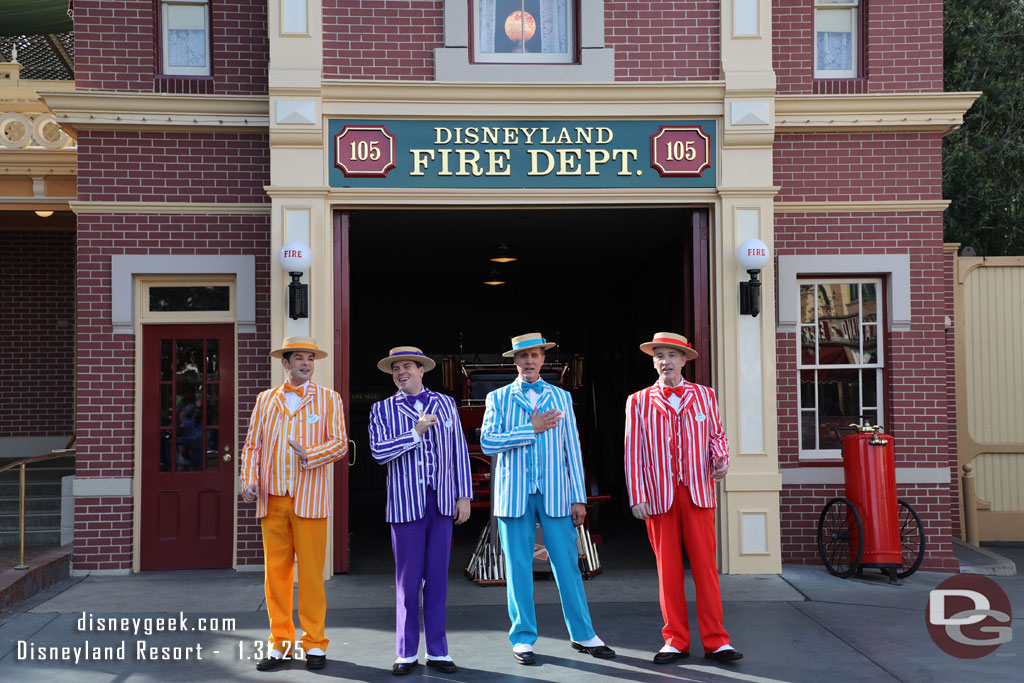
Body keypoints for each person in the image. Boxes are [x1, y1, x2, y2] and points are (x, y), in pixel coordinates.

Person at [480, 332, 615, 665]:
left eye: (535, 355)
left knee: (568, 565)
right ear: (514, 361)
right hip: (513, 496)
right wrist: (531, 428)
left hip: (556, 493)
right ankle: (523, 638)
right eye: (523, 356)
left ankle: (583, 634)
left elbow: (572, 450)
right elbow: (487, 443)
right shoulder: (498, 399)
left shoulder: (562, 398)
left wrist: (579, 498)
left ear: (543, 360)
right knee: (518, 568)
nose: (529, 361)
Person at [624, 332, 743, 664]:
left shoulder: (704, 396)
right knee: (668, 570)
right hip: (659, 495)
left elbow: (717, 436)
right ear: (654, 362)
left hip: (698, 492)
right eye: (659, 355)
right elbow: (633, 452)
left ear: (684, 360)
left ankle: (716, 640)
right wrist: (637, 495)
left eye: (672, 355)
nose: (666, 361)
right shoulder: (639, 401)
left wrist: (721, 460)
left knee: (705, 568)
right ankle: (675, 639)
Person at [239, 336, 348, 672]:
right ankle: (280, 644)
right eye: (298, 358)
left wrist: (310, 454)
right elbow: (252, 446)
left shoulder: (329, 399)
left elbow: (341, 444)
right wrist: (247, 480)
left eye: (310, 358)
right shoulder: (265, 400)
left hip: (310, 501)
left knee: (312, 576)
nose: (305, 363)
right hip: (272, 501)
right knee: (276, 576)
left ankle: (315, 644)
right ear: (284, 363)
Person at [369, 346, 473, 676]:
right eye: (395, 368)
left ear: (421, 370)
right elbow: (379, 452)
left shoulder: (444, 403)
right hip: (404, 505)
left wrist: (464, 496)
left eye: (407, 366)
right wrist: (415, 433)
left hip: (441, 502)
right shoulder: (381, 409)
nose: (401, 372)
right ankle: (406, 652)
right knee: (408, 582)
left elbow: (458, 450)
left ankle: (439, 651)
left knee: (438, 580)